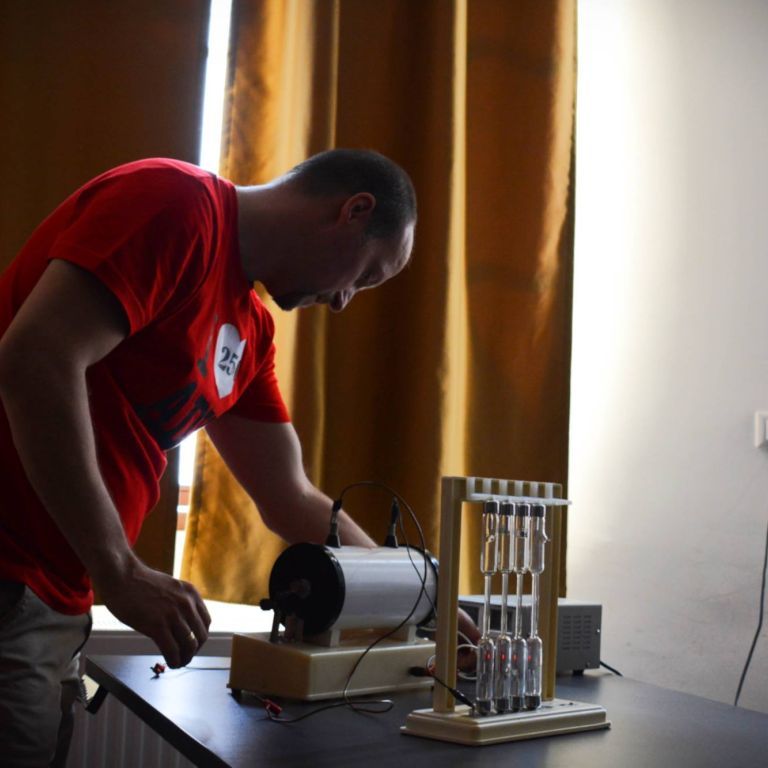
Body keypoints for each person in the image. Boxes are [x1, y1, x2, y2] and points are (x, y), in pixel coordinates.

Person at [0, 149, 472, 767]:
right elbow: (35, 359)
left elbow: (290, 497)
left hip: (55, 602)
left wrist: (423, 594)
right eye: (365, 276)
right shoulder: (177, 204)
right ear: (354, 211)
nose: (343, 301)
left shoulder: (251, 331)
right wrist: (120, 570)